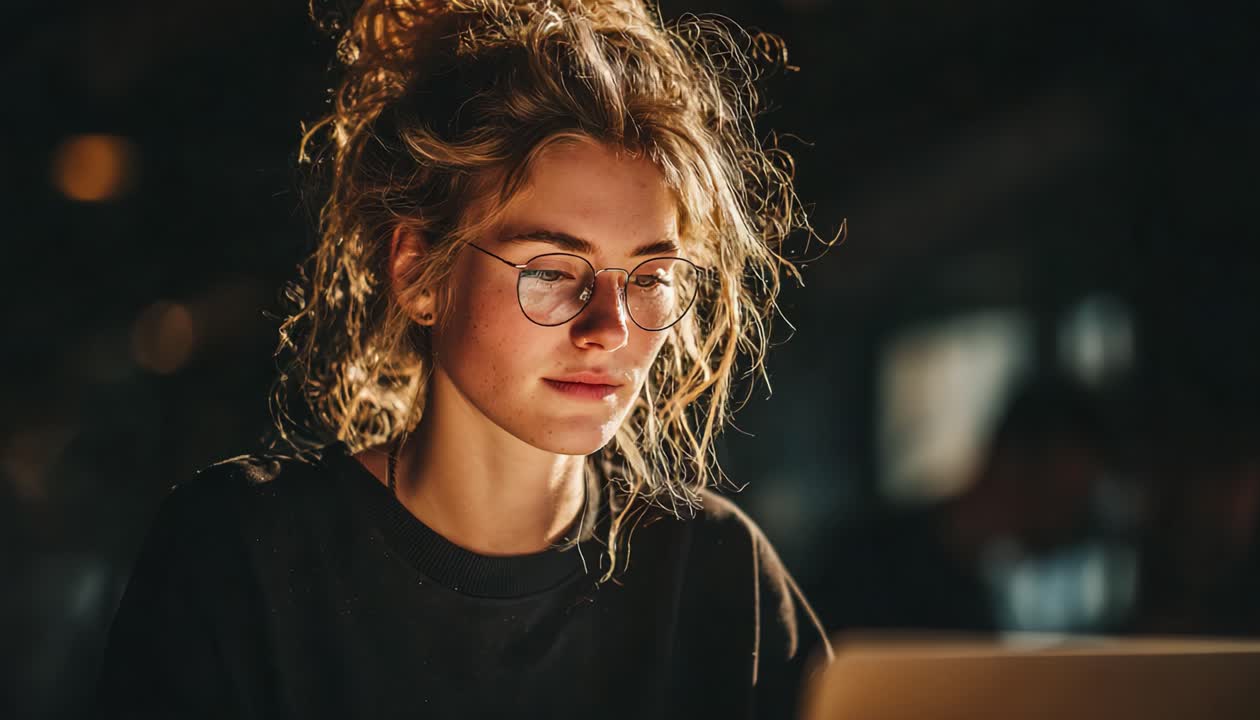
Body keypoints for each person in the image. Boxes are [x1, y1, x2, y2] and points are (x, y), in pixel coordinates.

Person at [98, 0, 833, 717]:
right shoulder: (240, 557)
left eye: (649, 277)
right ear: (419, 273)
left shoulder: (717, 571)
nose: (609, 328)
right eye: (549, 271)